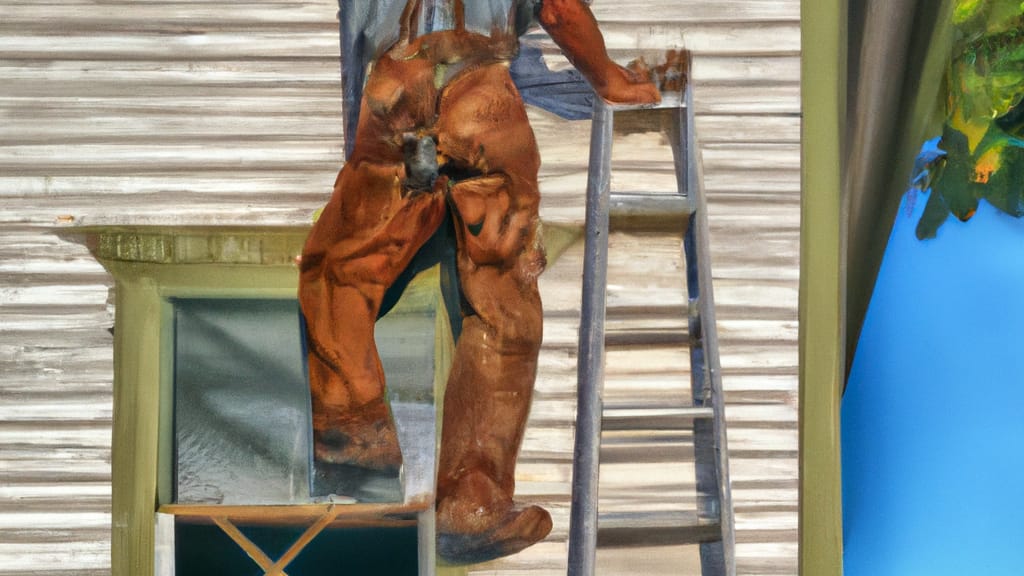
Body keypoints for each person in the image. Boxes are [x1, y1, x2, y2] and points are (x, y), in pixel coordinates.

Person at [299, 0, 659, 563]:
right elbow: (561, 10)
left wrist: (361, 141)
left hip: (394, 88)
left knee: (340, 274)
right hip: (481, 95)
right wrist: (610, 78)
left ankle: (357, 447)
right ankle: (471, 505)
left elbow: (355, 29)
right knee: (501, 297)